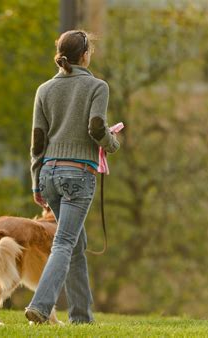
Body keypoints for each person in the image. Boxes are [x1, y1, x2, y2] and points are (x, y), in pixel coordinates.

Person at [26, 30, 120, 324]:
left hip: (49, 174)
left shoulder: (44, 90)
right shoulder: (97, 86)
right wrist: (112, 143)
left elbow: (37, 142)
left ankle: (81, 317)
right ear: (85, 55)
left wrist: (35, 181)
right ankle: (40, 307)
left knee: (75, 243)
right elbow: (95, 128)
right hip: (78, 174)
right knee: (64, 242)